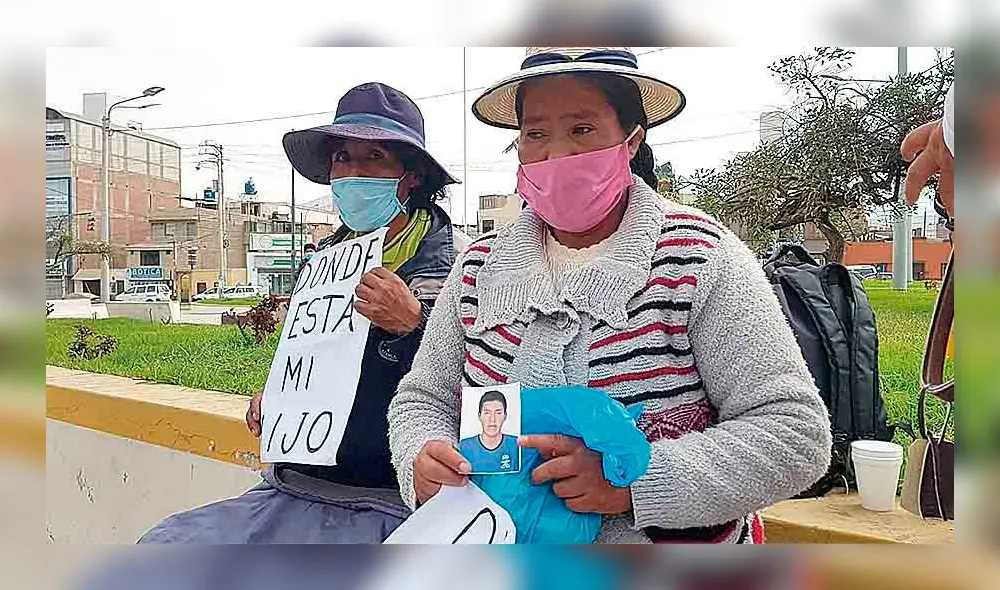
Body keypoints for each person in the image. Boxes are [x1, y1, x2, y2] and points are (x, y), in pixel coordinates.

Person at [388, 47, 831, 544]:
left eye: (582, 130)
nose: (556, 154)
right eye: (535, 134)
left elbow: (796, 434)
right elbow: (424, 398)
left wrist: (631, 482)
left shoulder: (700, 257)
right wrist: (421, 456)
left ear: (631, 139)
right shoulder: (477, 268)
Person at [140, 82, 467, 543]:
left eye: (373, 157)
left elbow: (481, 384)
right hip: (293, 486)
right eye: (342, 158)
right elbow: (311, 356)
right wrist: (277, 394)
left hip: (392, 499)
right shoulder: (324, 260)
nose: (353, 172)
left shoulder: (460, 262)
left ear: (409, 175)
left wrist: (413, 324)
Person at [459, 389, 520, 473]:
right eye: (487, 413)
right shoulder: (465, 446)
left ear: (505, 416)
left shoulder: (516, 444)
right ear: (479, 416)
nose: (492, 419)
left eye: (498, 413)